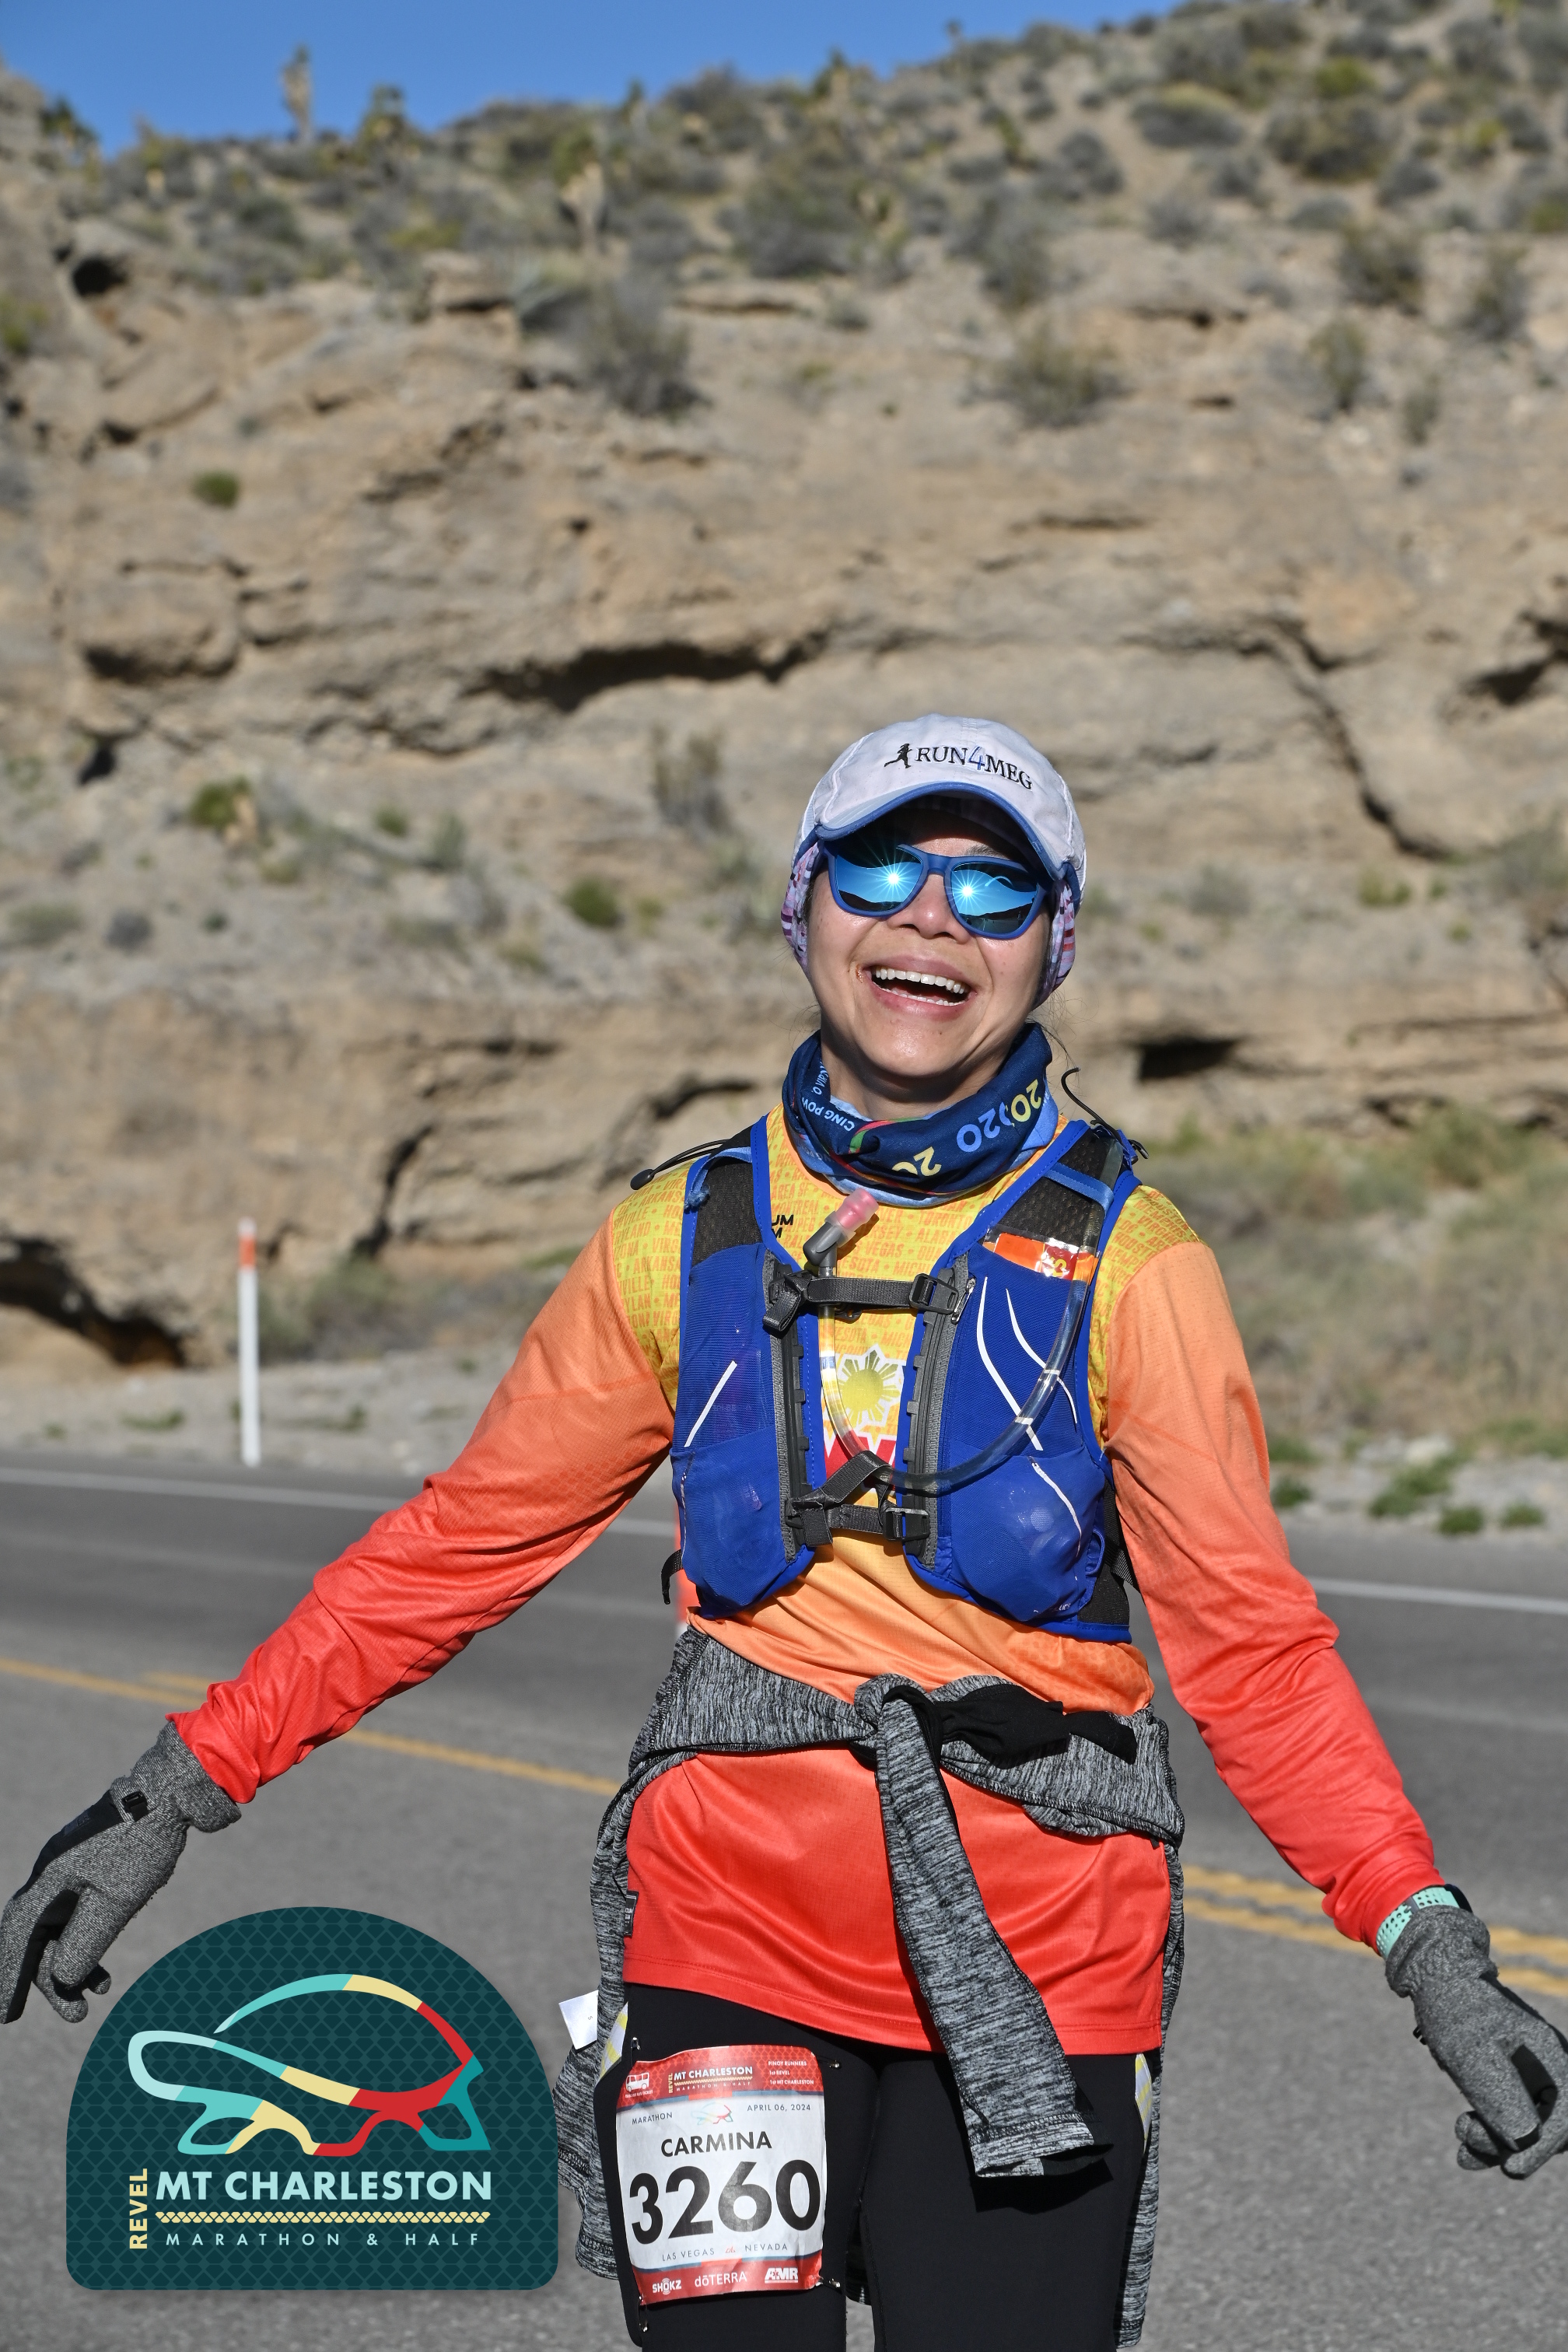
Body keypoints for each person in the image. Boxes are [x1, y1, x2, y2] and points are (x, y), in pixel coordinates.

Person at [5, 712, 1566, 2352]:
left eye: (995, 888)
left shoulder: (1136, 1263)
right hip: (723, 1949)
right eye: (882, 868)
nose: (931, 920)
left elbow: (1253, 1654)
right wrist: (175, 1792)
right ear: (802, 901)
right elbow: (457, 1549)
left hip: (1041, 1969)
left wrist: (1428, 1945)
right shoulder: (675, 1240)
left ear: (1057, 945)